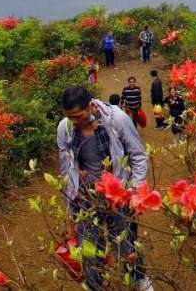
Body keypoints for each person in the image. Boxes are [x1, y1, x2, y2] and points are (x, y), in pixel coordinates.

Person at [56, 86, 153, 291]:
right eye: (70, 117)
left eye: (78, 116)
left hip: (118, 197)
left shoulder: (116, 119)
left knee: (126, 248)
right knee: (90, 254)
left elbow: (138, 155)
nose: (74, 122)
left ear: (90, 106)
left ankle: (141, 283)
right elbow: (66, 171)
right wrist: (69, 207)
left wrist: (135, 189)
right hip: (86, 200)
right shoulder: (64, 129)